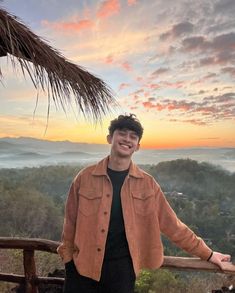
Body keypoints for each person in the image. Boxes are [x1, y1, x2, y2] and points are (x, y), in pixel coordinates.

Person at [57, 114, 231, 293]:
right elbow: (70, 224)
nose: (127, 139)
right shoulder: (84, 178)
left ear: (138, 146)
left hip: (122, 273)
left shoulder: (148, 185)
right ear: (110, 138)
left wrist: (208, 254)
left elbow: (173, 226)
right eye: (122, 133)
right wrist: (69, 261)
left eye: (133, 136)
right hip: (81, 268)